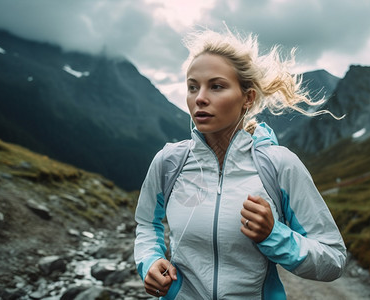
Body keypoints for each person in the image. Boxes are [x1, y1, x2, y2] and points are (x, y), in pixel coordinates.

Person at [134, 28, 347, 299]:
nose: (199, 97)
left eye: (216, 86)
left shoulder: (279, 165)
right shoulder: (169, 162)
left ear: (248, 98)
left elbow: (334, 259)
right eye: (192, 87)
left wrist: (274, 235)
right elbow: (145, 224)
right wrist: (150, 261)